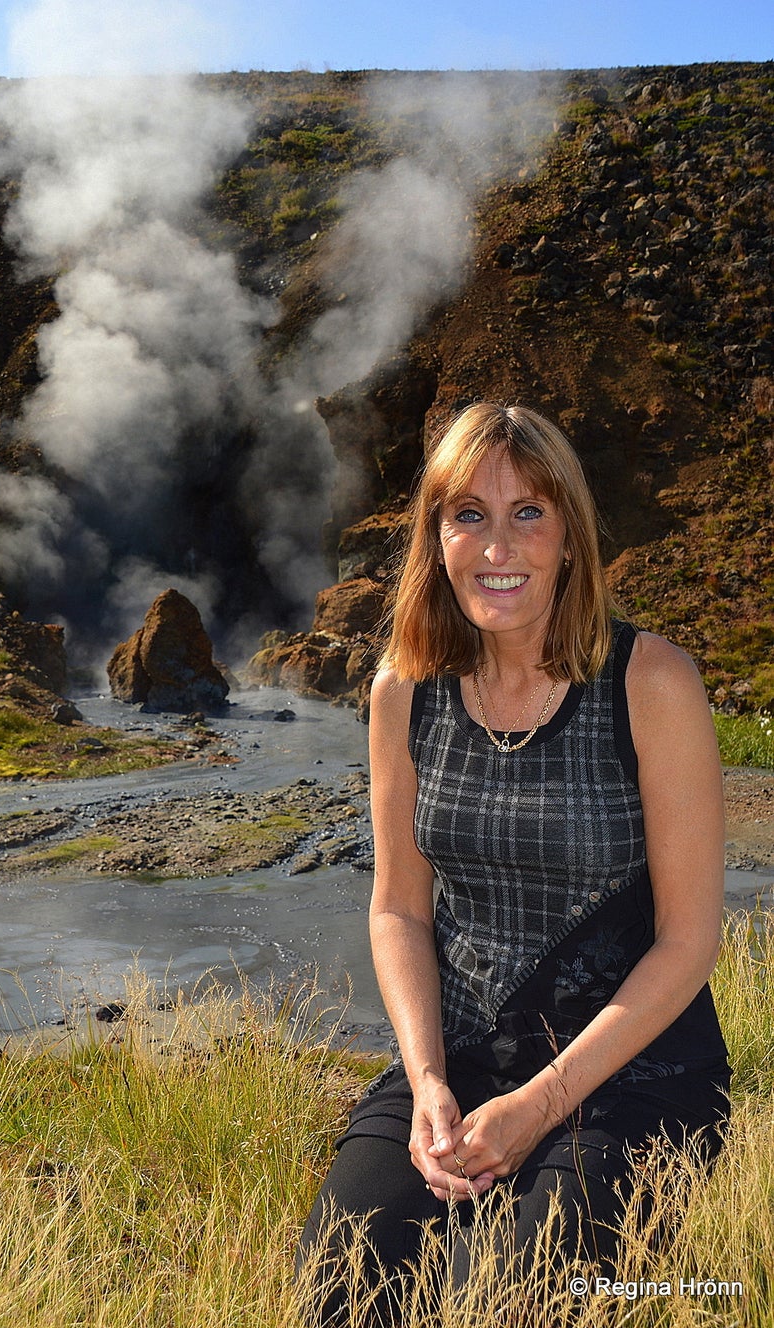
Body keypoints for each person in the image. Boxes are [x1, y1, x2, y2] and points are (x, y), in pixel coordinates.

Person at [297, 402, 730, 1324]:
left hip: (629, 1071)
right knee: (339, 1278)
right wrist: (425, 1086)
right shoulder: (399, 694)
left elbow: (690, 939)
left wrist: (539, 1106)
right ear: (436, 538)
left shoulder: (650, 683)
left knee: (504, 1299)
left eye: (528, 513)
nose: (499, 546)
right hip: (460, 1060)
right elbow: (398, 911)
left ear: (569, 535)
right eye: (470, 516)